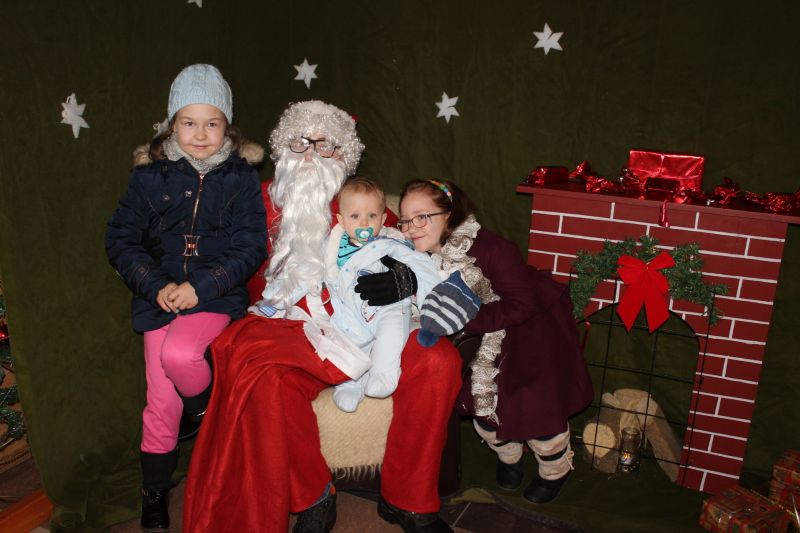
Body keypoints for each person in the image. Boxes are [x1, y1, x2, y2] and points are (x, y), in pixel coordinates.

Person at [183, 101, 462, 533]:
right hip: (287, 324)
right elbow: (220, 261)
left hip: (366, 321)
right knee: (265, 377)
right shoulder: (253, 201)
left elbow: (410, 245)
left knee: (438, 360)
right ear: (284, 148)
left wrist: (406, 280)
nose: (312, 153)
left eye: (326, 145)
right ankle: (313, 495)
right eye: (301, 142)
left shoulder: (363, 203)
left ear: (345, 155)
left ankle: (407, 500)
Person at [104, 63, 267, 531]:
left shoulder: (239, 178)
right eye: (189, 122)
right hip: (156, 296)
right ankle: (154, 492)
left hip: (214, 295)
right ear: (172, 124)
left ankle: (209, 410)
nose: (200, 134)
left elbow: (250, 246)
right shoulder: (148, 177)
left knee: (179, 355)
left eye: (211, 123)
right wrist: (154, 284)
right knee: (160, 403)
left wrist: (201, 286)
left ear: (227, 127)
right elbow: (120, 239)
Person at [397, 179, 594, 504]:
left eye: (422, 217)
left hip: (527, 333)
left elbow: (523, 304)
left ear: (450, 214)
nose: (411, 228)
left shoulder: (493, 249)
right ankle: (509, 456)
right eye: (405, 220)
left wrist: (463, 319)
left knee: (535, 409)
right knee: (481, 408)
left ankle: (555, 469)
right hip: (474, 340)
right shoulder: (418, 257)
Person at [255, 176, 473, 413]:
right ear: (341, 219)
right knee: (342, 339)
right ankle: (350, 384)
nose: (364, 222)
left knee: (391, 332)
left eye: (372, 215)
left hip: (388, 308)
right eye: (355, 216)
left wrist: (429, 299)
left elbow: (422, 267)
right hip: (347, 309)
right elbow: (304, 270)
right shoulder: (329, 245)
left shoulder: (392, 242)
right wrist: (276, 299)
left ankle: (383, 375)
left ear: (383, 219)